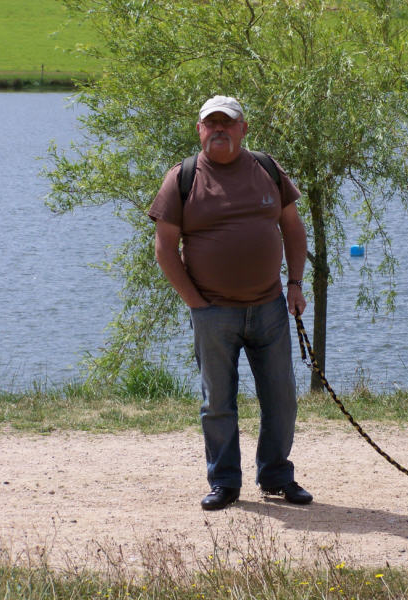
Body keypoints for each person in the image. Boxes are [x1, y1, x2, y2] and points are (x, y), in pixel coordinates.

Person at [148, 95, 313, 510]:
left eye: (228, 122)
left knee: (282, 397)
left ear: (244, 128)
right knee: (217, 403)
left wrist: (295, 283)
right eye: (211, 123)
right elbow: (165, 249)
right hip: (213, 312)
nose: (219, 129)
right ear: (199, 128)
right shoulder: (182, 178)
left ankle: (276, 476)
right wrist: (196, 304)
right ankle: (225, 483)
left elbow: (293, 228)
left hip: (270, 307)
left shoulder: (267, 169)